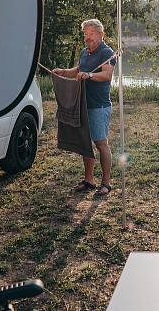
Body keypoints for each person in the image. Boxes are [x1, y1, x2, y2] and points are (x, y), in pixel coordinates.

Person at [53, 18, 116, 197]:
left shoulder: (106, 52)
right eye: (85, 34)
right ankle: (89, 180)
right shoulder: (84, 52)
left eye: (91, 34)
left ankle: (106, 183)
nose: (88, 38)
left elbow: (106, 75)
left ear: (101, 34)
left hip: (98, 106)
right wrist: (64, 72)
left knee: (100, 143)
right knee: (85, 143)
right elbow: (79, 69)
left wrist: (89, 75)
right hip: (82, 104)